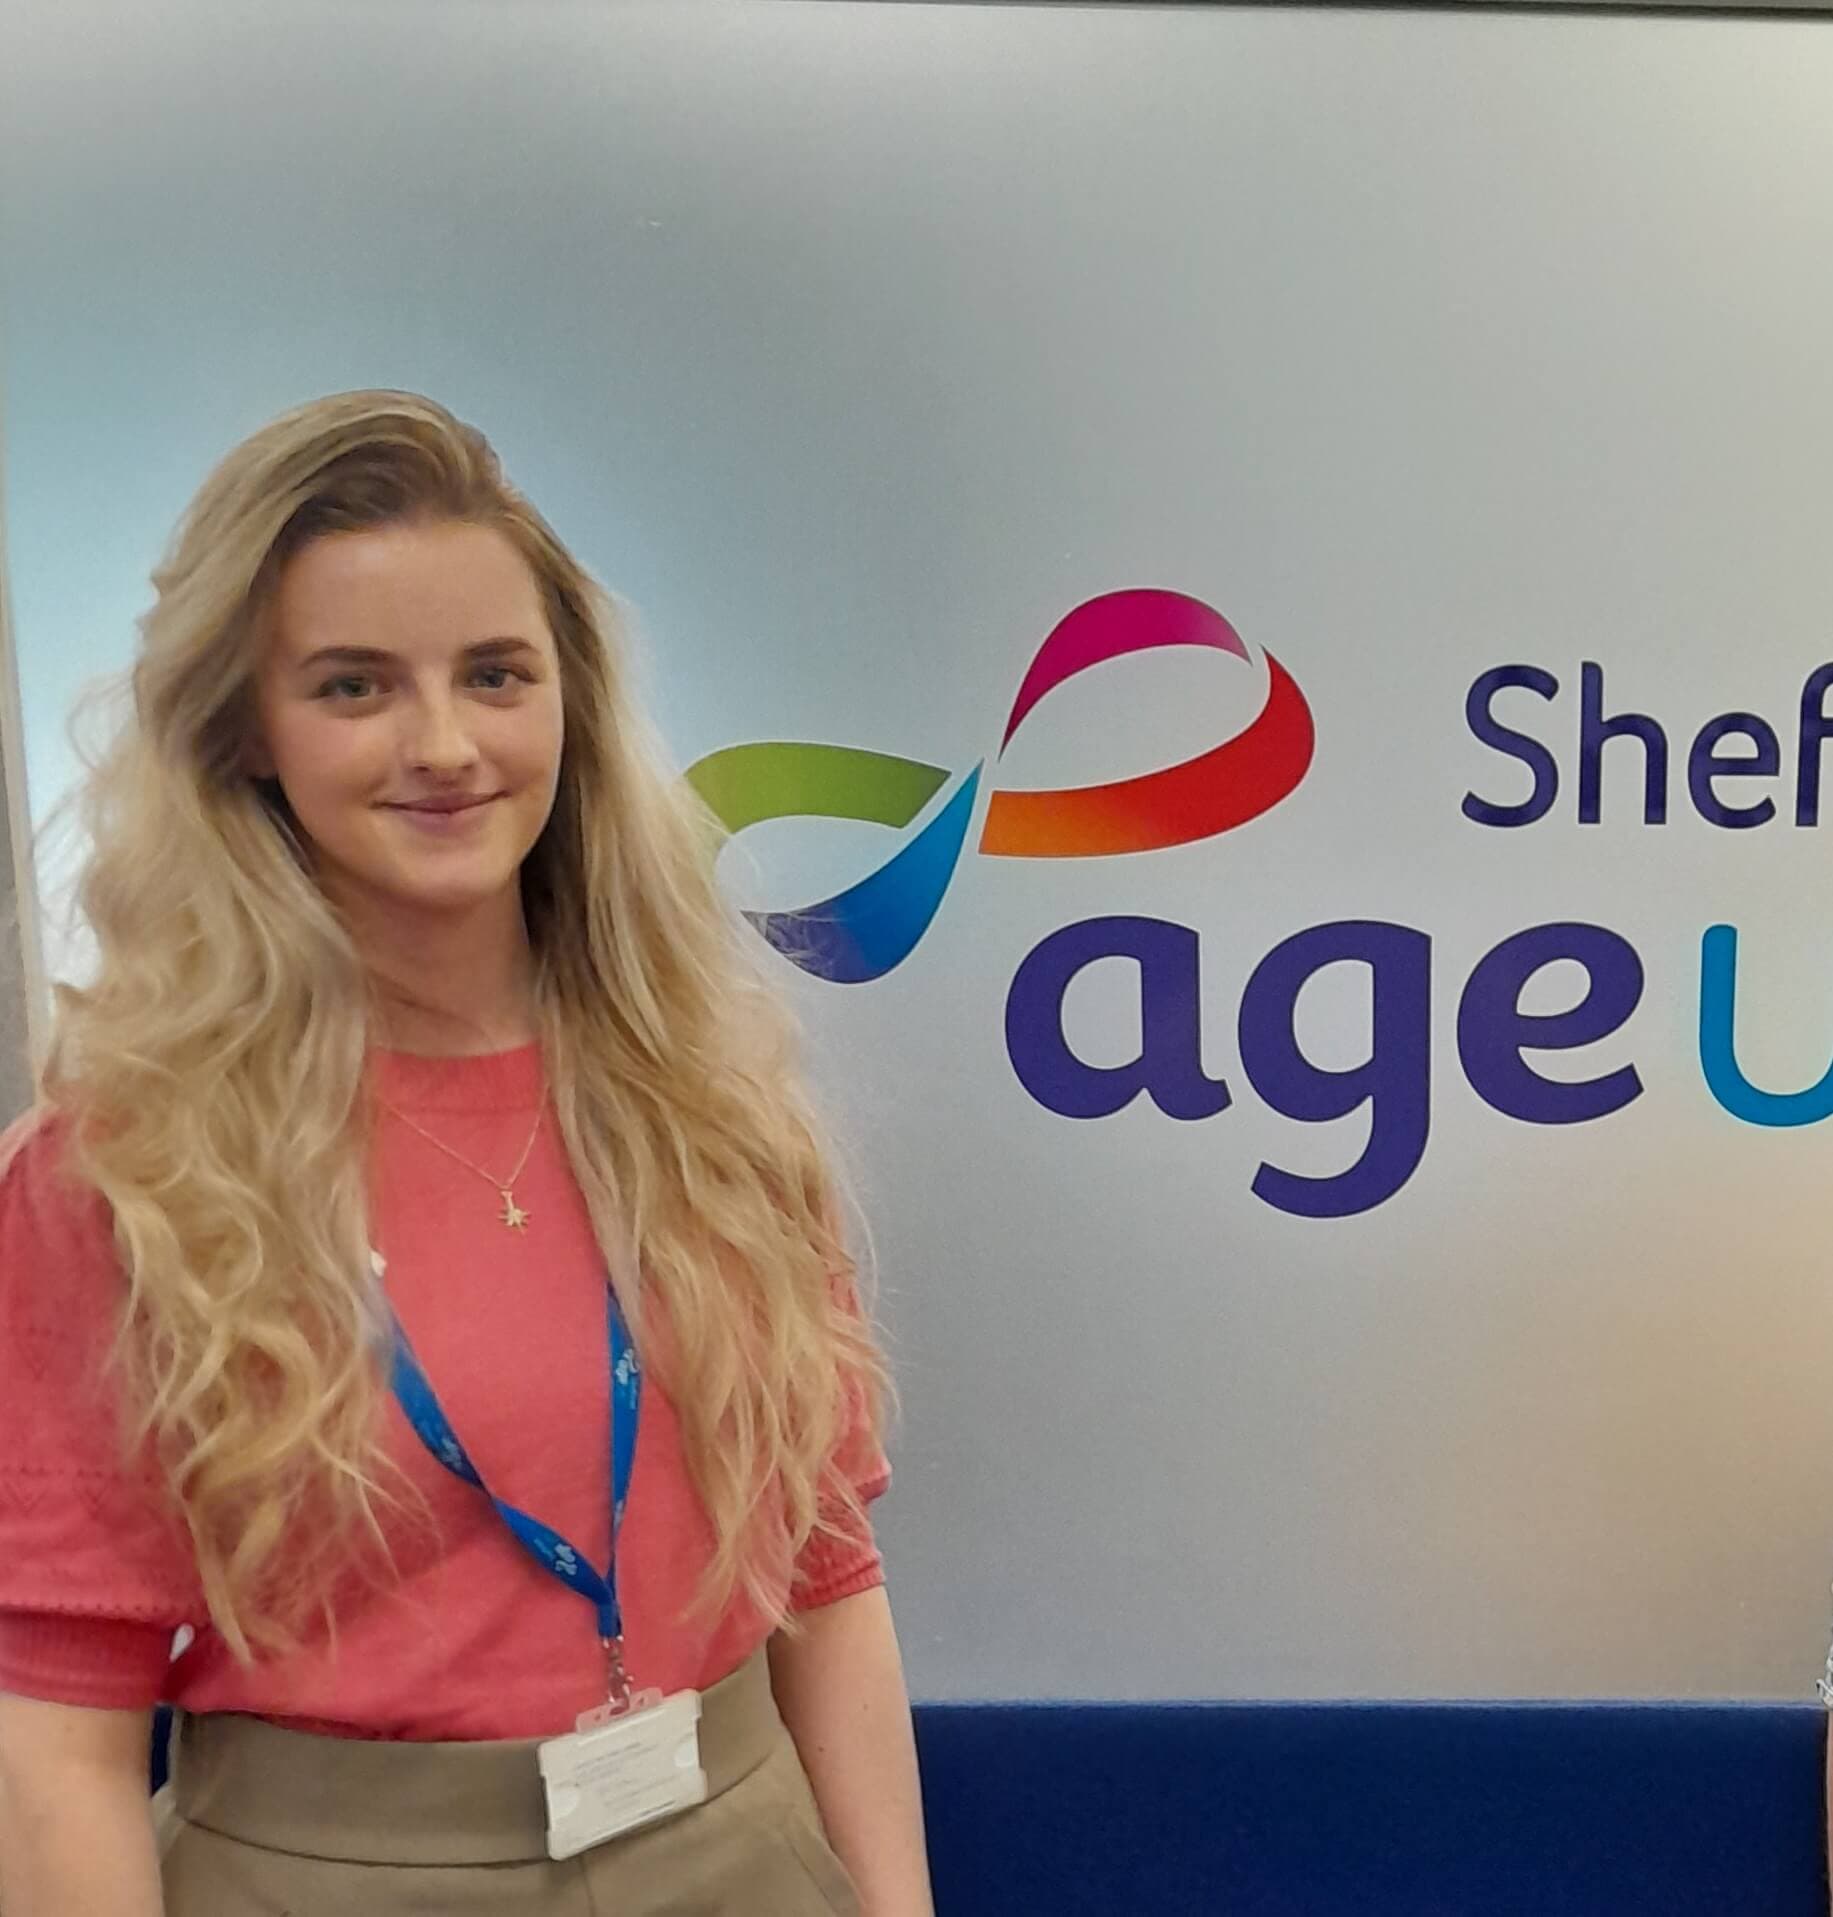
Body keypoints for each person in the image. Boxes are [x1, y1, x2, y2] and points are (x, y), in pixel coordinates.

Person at [0, 391, 934, 1915]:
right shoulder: (120, 1172)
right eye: (355, 685)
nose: (444, 744)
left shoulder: (710, 1105)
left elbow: (826, 1585)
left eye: (495, 675)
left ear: (566, 699)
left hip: (741, 1854)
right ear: (247, 729)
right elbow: (57, 1749)